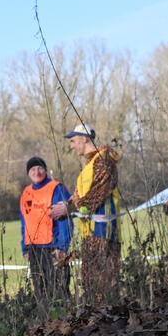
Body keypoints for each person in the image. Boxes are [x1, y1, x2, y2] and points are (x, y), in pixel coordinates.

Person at [49, 123, 122, 306]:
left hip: (103, 232)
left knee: (103, 286)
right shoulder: (89, 165)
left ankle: (107, 326)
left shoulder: (104, 160)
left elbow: (96, 194)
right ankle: (96, 324)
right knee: (92, 285)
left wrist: (69, 208)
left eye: (73, 141)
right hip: (90, 232)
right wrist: (64, 207)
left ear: (85, 139)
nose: (72, 146)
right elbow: (79, 197)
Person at [19, 156, 72, 311]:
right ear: (28, 173)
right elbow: (24, 222)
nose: (37, 172)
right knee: (41, 292)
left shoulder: (56, 188)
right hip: (34, 250)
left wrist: (62, 246)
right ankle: (45, 325)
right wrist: (25, 248)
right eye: (33, 169)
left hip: (53, 248)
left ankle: (65, 325)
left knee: (58, 290)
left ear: (45, 169)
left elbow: (66, 219)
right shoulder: (26, 193)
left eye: (40, 168)